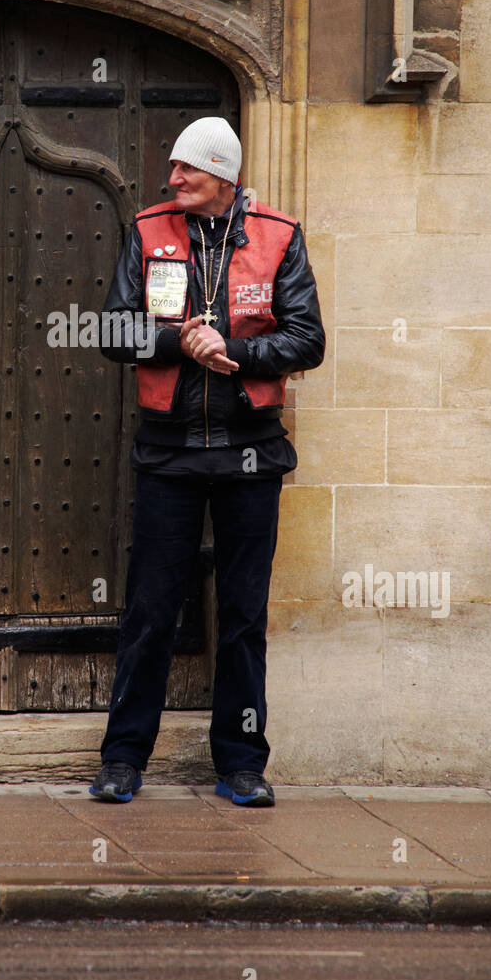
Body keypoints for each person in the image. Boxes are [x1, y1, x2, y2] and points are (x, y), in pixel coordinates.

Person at [89, 117, 325, 806]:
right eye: (173, 168)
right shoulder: (148, 229)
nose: (173, 178)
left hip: (251, 453)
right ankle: (123, 760)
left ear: (221, 174)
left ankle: (242, 764)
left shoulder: (278, 235)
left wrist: (237, 351)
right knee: (150, 612)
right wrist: (177, 345)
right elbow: (112, 328)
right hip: (167, 454)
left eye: (187, 170)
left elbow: (307, 339)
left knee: (243, 614)